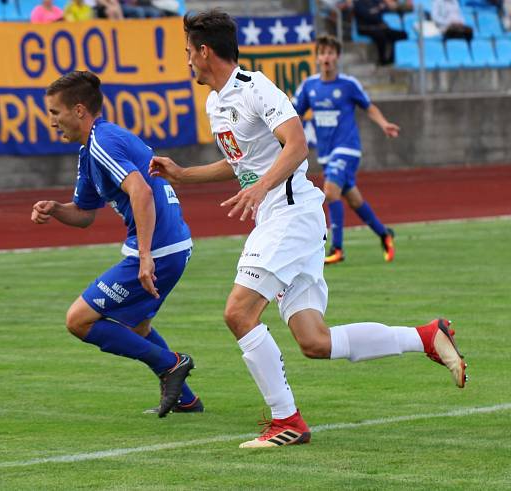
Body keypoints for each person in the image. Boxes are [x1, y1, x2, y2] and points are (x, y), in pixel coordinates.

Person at [150, 10, 466, 448]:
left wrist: (261, 186)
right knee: (314, 341)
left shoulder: (256, 87)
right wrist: (184, 175)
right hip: (282, 219)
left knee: (238, 314)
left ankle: (287, 421)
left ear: (205, 51)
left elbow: (297, 146)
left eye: (188, 51)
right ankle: (426, 337)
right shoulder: (214, 102)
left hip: (290, 215)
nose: (186, 61)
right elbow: (240, 163)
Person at [32, 71, 200, 417]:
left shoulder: (102, 142)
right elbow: (84, 214)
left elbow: (140, 190)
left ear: (79, 110)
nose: (52, 122)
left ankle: (172, 363)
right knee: (137, 326)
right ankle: (185, 398)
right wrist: (56, 210)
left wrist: (144, 257)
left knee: (78, 320)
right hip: (170, 243)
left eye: (54, 112)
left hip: (159, 247)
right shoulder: (90, 150)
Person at [293, 35, 399, 265]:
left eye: (331, 52)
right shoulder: (310, 86)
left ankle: (337, 248)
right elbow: (294, 114)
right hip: (326, 153)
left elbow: (368, 107)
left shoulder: (348, 84)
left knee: (330, 192)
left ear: (337, 57)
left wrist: (384, 124)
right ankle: (384, 233)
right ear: (317, 57)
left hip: (348, 148)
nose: (326, 57)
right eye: (322, 52)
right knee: (353, 199)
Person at [353, 0, 409, 65]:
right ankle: (382, 59)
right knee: (381, 36)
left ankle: (392, 58)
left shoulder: (376, 1)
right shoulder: (358, 3)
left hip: (380, 27)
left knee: (402, 34)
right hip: (366, 28)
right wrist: (378, 9)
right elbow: (367, 15)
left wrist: (375, 10)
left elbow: (386, 9)